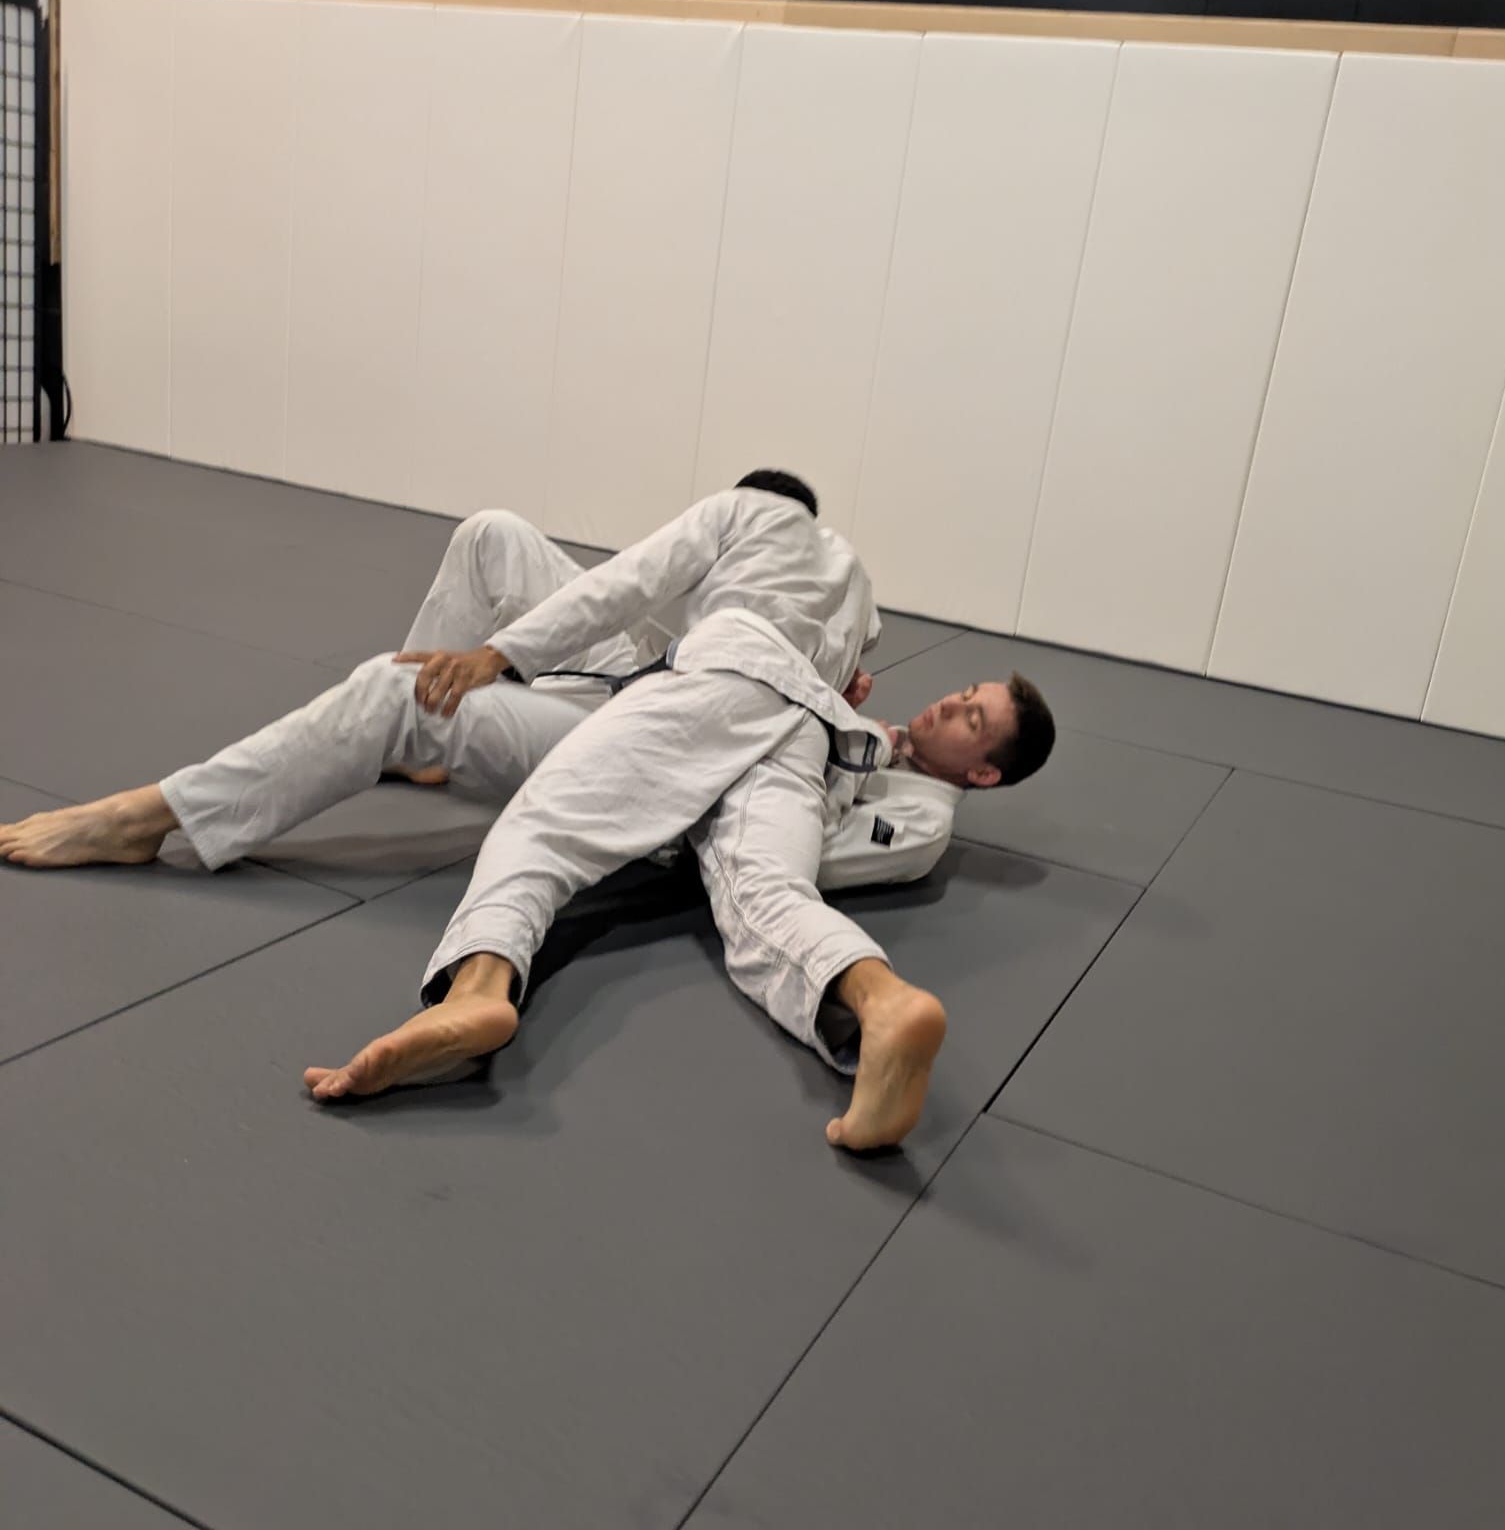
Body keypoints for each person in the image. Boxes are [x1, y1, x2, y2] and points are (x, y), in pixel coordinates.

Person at [1, 475, 1054, 1150]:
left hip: (703, 698)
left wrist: (499, 656)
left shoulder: (753, 521)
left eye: (975, 718)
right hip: (774, 734)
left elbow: (635, 579)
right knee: (762, 893)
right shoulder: (851, 601)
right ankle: (877, 1001)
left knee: (542, 829)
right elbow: (683, 630)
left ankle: (473, 985)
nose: (954, 705)